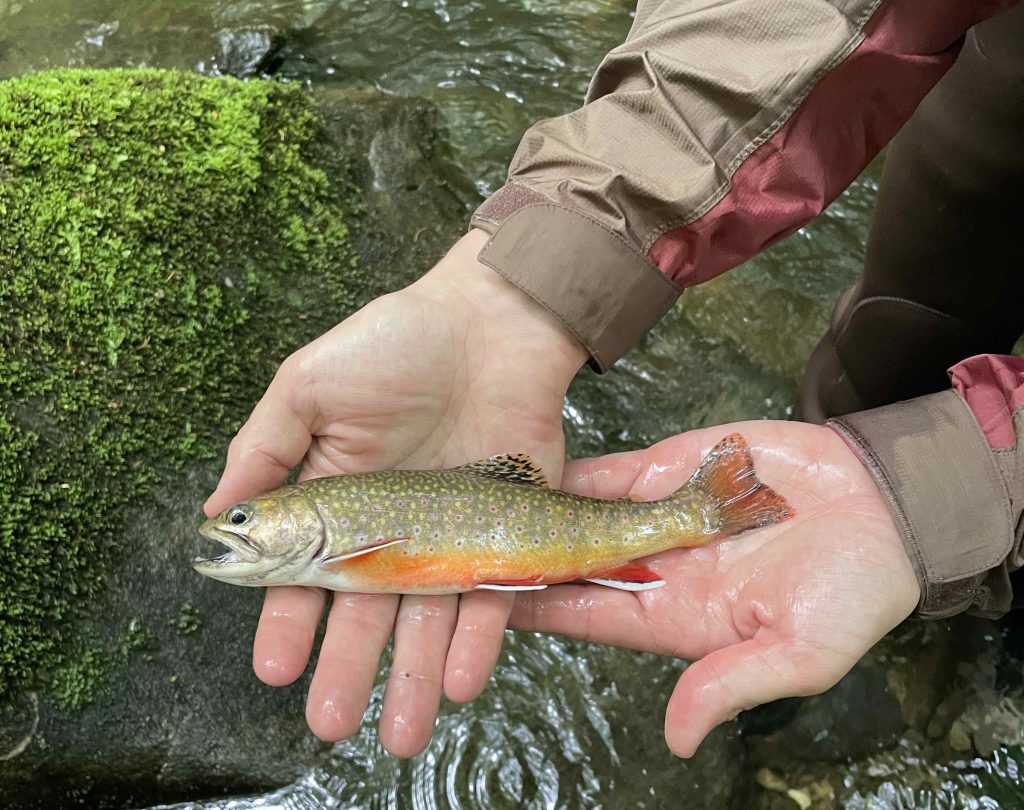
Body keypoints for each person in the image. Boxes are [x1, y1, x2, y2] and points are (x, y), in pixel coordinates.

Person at [204, 0, 1024, 759]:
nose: (234, 528)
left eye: (245, 519)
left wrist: (965, 492)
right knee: (903, 323)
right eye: (244, 521)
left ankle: (978, 572)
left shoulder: (346, 541)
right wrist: (524, 287)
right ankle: (883, 519)